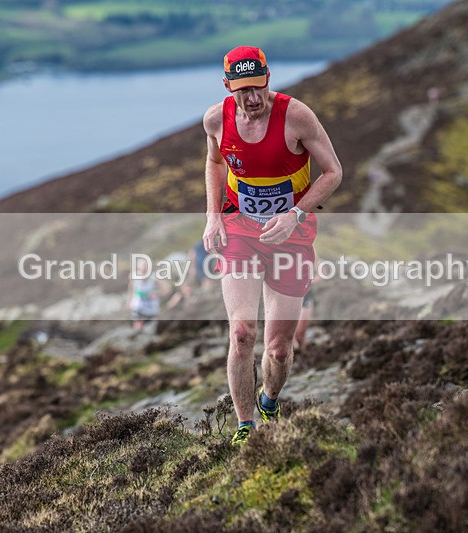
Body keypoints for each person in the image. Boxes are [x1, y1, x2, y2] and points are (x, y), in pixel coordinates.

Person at [202, 46, 342, 445]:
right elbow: (214, 164)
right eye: (243, 90)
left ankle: (269, 398)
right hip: (240, 231)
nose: (253, 98)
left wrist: (295, 213)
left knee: (279, 349)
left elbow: (333, 172)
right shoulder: (216, 120)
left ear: (268, 78)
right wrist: (213, 216)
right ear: (228, 86)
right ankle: (246, 427)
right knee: (242, 332)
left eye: (259, 87)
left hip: (291, 237)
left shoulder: (295, 116)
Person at [127, 261, 161, 331]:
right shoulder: (134, 278)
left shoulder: (154, 278)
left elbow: (167, 289)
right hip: (138, 307)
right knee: (137, 324)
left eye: (145, 269)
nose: (143, 271)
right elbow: (130, 290)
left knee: (149, 328)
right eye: (141, 269)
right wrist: (129, 301)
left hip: (150, 308)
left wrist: (156, 294)